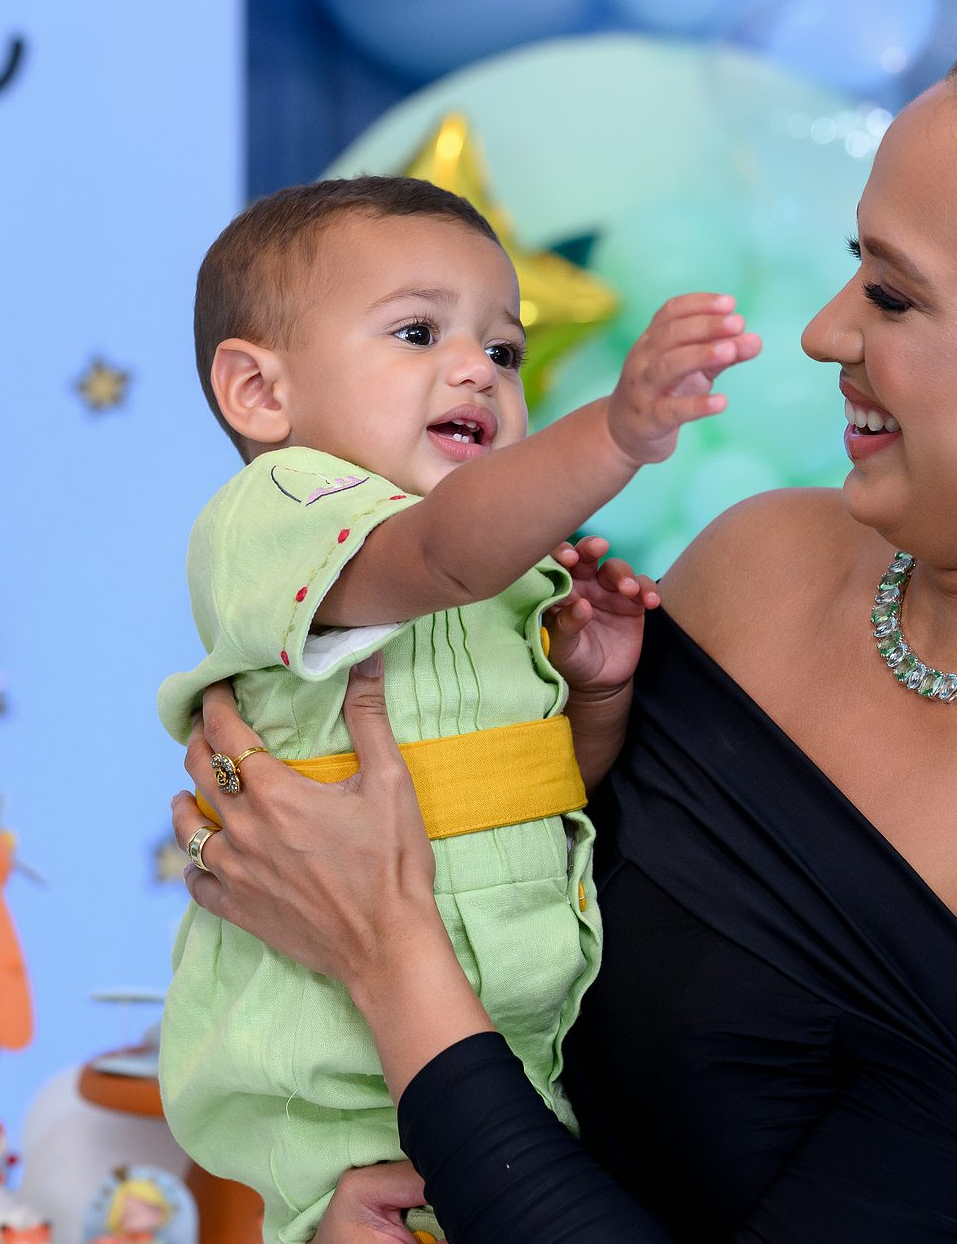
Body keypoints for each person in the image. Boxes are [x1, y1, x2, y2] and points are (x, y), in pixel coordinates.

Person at [170, 12, 957, 1244]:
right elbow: (518, 903)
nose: (825, 329)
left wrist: (384, 955)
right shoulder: (761, 560)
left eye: (892, 294)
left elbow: (415, 952)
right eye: (850, 261)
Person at [156, 176, 760, 1242]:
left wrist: (597, 689)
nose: (478, 366)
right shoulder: (281, 512)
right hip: (336, 1063)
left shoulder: (504, 566)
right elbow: (440, 554)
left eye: (506, 349)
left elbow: (542, 788)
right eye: (417, 331)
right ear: (259, 393)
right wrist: (614, 432)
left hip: (510, 1045)